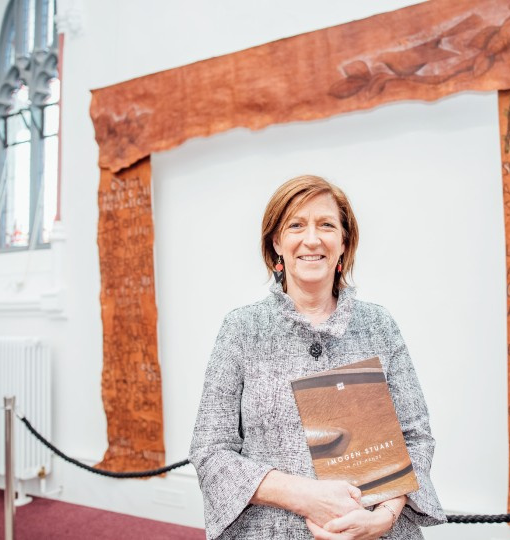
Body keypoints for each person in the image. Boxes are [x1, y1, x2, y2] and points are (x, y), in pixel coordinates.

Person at [189, 175, 445, 539]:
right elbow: (210, 450)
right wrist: (305, 496)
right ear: (277, 242)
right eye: (296, 225)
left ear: (343, 242)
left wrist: (383, 518)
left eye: (326, 224)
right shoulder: (242, 329)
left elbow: (416, 438)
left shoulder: (378, 325)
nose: (312, 239)